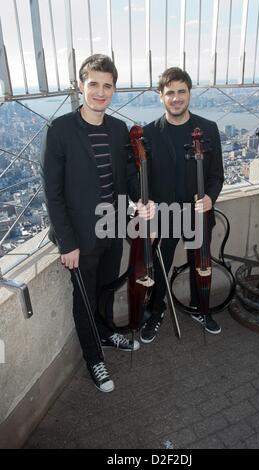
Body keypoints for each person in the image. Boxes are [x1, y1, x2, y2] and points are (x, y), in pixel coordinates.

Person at [41, 54, 153, 393]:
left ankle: (105, 332)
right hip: (80, 237)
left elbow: (127, 178)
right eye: (94, 84)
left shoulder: (119, 129)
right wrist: (67, 243)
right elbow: (53, 193)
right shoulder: (59, 129)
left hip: (112, 228)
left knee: (105, 289)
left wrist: (141, 200)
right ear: (81, 85)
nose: (100, 92)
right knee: (84, 299)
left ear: (114, 89)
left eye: (107, 86)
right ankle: (94, 359)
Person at [141, 67, 224, 344]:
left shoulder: (207, 129)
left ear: (189, 93)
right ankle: (156, 311)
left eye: (181, 92)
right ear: (160, 96)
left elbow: (216, 175)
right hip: (164, 217)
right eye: (170, 93)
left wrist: (211, 196)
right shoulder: (149, 134)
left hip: (198, 215)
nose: (176, 98)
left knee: (201, 264)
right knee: (159, 267)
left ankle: (202, 310)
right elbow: (143, 181)